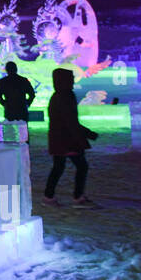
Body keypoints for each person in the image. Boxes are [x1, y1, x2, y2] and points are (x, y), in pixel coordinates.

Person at [44, 67, 98, 206]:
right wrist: (87, 134)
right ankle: (78, 197)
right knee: (81, 166)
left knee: (59, 167)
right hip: (68, 139)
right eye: (71, 79)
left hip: (58, 138)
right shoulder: (67, 96)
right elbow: (71, 121)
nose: (73, 81)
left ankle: (49, 196)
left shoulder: (56, 96)